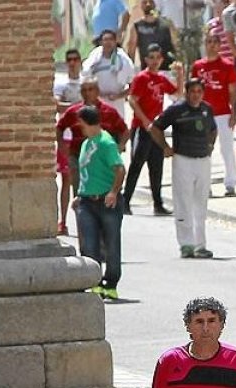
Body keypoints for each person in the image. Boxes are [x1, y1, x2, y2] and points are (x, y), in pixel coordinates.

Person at [149, 78, 219, 259]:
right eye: (192, 91)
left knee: (201, 203)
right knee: (183, 201)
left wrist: (210, 145)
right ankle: (186, 244)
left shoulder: (206, 109)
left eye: (199, 92)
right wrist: (165, 147)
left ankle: (200, 244)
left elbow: (213, 129)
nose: (196, 95)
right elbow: (155, 127)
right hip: (183, 159)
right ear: (186, 92)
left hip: (203, 159)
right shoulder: (176, 110)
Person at [73, 105, 126, 300]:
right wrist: (80, 194)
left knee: (111, 243)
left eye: (81, 123)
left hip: (106, 200)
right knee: (89, 243)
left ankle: (111, 283)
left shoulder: (106, 143)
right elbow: (86, 172)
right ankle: (94, 281)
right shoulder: (87, 143)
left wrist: (113, 192)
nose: (79, 127)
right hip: (87, 200)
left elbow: (120, 169)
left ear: (88, 122)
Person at [57, 79, 130, 214]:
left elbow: (125, 130)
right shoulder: (74, 111)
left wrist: (119, 147)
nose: (87, 93)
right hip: (78, 156)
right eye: (84, 90)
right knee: (80, 194)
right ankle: (83, 228)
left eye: (90, 89)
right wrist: (62, 146)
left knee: (102, 190)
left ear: (97, 91)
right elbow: (60, 127)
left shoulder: (109, 111)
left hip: (102, 159)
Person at [123, 45, 180, 217]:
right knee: (137, 164)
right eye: (152, 57)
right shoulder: (141, 78)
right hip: (141, 127)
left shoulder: (162, 79)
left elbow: (177, 93)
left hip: (157, 129)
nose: (155, 61)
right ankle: (125, 201)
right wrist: (145, 120)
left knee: (157, 166)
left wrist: (181, 74)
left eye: (158, 57)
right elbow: (132, 100)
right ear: (146, 60)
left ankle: (158, 203)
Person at [191, 33, 236, 197]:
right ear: (205, 44)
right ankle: (206, 185)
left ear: (220, 45)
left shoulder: (227, 66)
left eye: (215, 42)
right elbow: (192, 91)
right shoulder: (198, 66)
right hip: (203, 113)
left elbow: (232, 92)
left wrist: (234, 112)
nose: (212, 45)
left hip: (222, 113)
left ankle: (231, 183)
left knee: (226, 148)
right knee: (205, 150)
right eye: (209, 42)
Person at [54, 49, 85, 236]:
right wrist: (79, 107)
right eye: (69, 60)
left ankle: (83, 220)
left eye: (75, 59)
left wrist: (71, 107)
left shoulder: (86, 82)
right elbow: (57, 105)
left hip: (83, 136)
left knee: (83, 181)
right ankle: (63, 221)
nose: (72, 62)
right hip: (66, 136)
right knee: (66, 179)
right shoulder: (61, 83)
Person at [81, 29, 136, 118]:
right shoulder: (94, 59)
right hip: (97, 102)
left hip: (117, 103)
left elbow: (133, 86)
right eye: (105, 40)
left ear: (115, 42)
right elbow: (84, 79)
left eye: (111, 40)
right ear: (101, 42)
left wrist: (118, 96)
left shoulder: (124, 61)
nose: (108, 42)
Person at [125, 0, 179, 68]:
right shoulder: (137, 26)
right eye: (145, 2)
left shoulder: (167, 24)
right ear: (141, 5)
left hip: (167, 70)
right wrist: (130, 70)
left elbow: (176, 45)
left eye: (151, 1)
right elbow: (131, 49)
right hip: (147, 72)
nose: (148, 4)